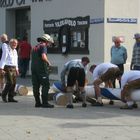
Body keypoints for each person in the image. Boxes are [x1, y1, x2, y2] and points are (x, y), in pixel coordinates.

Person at [31, 34, 54, 108]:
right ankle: (45, 103)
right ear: (47, 41)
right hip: (41, 69)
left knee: (36, 86)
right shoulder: (43, 46)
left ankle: (37, 103)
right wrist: (49, 63)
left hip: (33, 68)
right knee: (46, 85)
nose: (49, 44)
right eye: (49, 42)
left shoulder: (35, 47)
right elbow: (43, 56)